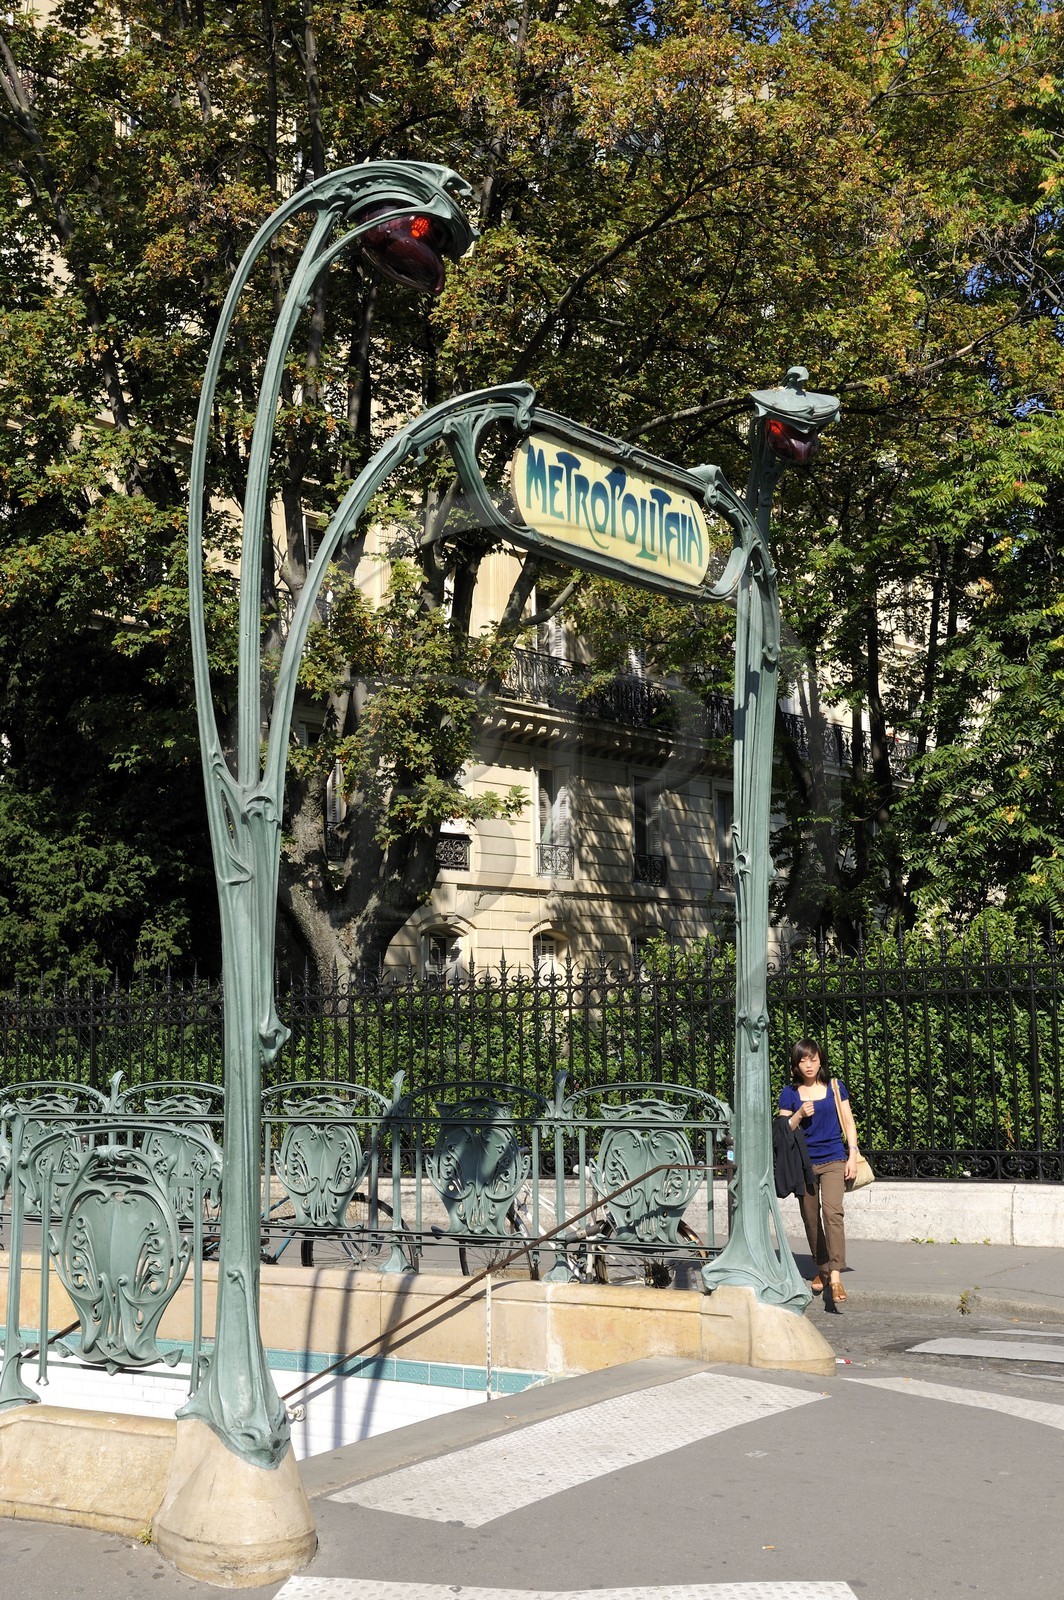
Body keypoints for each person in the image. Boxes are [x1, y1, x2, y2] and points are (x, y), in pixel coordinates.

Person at [777, 1037, 858, 1303]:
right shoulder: (789, 1093)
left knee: (832, 1213)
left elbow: (848, 1121)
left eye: (812, 1059)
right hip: (805, 1163)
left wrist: (852, 1154)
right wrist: (798, 1115)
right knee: (810, 1219)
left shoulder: (835, 1087)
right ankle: (821, 1268)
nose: (809, 1064)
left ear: (820, 1060)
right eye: (803, 1060)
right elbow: (781, 1132)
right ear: (796, 1065)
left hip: (834, 1158)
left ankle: (835, 1277)